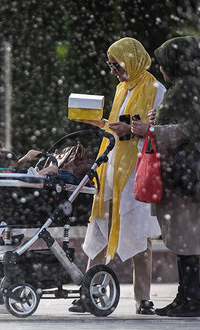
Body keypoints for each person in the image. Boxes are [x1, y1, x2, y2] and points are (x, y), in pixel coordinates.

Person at [70, 37, 166, 315]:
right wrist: (98, 123)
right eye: (110, 65)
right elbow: (116, 128)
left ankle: (143, 299)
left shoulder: (156, 89)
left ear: (132, 61)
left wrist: (135, 130)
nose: (113, 71)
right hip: (112, 168)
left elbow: (160, 131)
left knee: (138, 232)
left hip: (137, 170)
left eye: (117, 65)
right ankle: (89, 292)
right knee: (100, 228)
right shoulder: (121, 89)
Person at [131, 36, 200, 318]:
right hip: (182, 173)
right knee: (181, 235)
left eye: (165, 64)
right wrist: (156, 120)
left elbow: (191, 130)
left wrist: (150, 131)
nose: (161, 69)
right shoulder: (187, 89)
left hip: (185, 174)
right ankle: (185, 296)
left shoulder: (189, 90)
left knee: (187, 235)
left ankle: (193, 299)